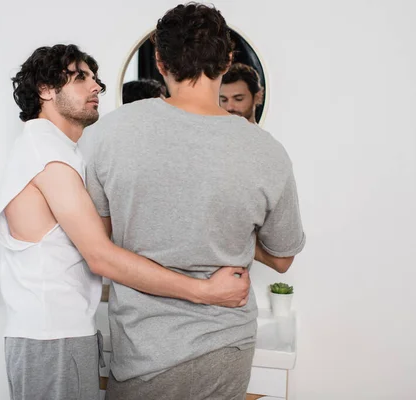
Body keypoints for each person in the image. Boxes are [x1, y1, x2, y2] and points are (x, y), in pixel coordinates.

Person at [0, 44, 251, 400]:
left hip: (56, 335)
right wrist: (206, 292)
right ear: (46, 90)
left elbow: (99, 234)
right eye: (80, 77)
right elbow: (101, 256)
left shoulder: (55, 152)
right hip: (53, 337)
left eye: (95, 78)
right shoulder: (46, 154)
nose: (95, 86)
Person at [83, 3, 305, 399]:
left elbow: (102, 246)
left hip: (143, 352)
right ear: (227, 58)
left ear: (159, 60)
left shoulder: (108, 135)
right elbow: (283, 258)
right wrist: (233, 230)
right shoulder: (265, 151)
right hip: (226, 347)